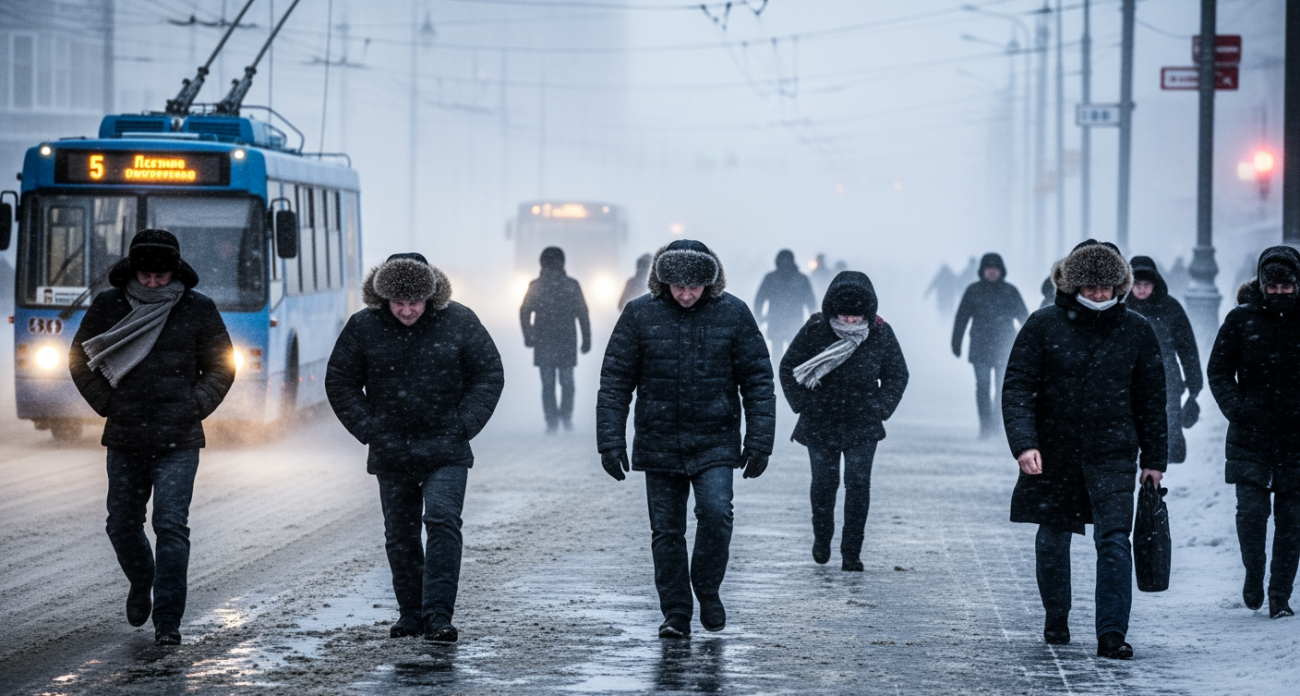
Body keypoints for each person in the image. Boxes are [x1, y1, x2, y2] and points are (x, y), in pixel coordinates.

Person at [597, 239, 775, 639]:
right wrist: (610, 441)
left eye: (694, 286)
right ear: (663, 281)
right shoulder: (639, 315)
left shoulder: (733, 314)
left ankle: (707, 587)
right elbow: (615, 383)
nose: (686, 294)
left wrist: (760, 439)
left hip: (715, 439)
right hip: (659, 439)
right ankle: (676, 612)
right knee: (667, 531)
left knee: (716, 514)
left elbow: (758, 380)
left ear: (709, 281)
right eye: (678, 285)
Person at [68, 229, 235, 646]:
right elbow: (79, 358)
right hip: (125, 437)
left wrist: (195, 404)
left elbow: (223, 365)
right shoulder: (109, 306)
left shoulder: (198, 308)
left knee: (171, 526)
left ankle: (167, 622)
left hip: (179, 439)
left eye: (162, 276)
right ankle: (143, 581)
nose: (155, 283)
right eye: (147, 276)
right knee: (121, 525)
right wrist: (107, 404)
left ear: (175, 271)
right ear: (134, 271)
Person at [326, 253, 504, 643]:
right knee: (401, 534)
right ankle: (410, 612)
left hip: (447, 448)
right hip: (392, 449)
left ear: (431, 296)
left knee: (441, 521)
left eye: (415, 302)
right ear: (383, 298)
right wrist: (369, 428)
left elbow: (489, 373)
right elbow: (340, 382)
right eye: (398, 303)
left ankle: (438, 613)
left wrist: (463, 424)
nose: (407, 311)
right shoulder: (363, 327)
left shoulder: (459, 320)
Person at [1002, 240, 1167, 659]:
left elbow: (1151, 399)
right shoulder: (1043, 326)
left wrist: (1154, 461)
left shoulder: (1136, 330)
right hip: (1055, 452)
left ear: (1120, 287)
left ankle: (1111, 632)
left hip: (1113, 452)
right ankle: (1056, 615)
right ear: (1073, 285)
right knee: (1054, 538)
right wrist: (1024, 444)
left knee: (1114, 539)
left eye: (1107, 287)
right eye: (1090, 286)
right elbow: (1018, 387)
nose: (1098, 295)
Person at [779, 271, 909, 571]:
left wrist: (880, 408)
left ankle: (851, 552)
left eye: (856, 316)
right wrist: (802, 404)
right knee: (824, 484)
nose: (850, 322)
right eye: (844, 316)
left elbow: (897, 374)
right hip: (819, 420)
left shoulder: (880, 333)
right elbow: (789, 367)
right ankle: (822, 537)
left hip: (863, 422)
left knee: (858, 485)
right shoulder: (814, 330)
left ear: (867, 312)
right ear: (832, 311)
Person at [1207, 246, 1300, 620]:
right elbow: (1219, 371)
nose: (1279, 292)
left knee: (1292, 520)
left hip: (1295, 436)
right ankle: (1254, 572)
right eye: (1272, 286)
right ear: (1261, 284)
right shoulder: (1240, 320)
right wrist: (1237, 409)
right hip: (1250, 433)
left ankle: (1280, 595)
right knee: (1251, 512)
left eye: (1286, 286)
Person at [1125, 256, 1202, 464]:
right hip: (1129, 382)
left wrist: (1194, 388)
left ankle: (1157, 482)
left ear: (1154, 284)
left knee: (1166, 438)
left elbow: (1188, 350)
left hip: (1167, 381)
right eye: (1137, 284)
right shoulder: (1121, 310)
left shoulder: (1171, 308)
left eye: (1146, 284)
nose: (1141, 289)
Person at [951, 253, 1028, 439]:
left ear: (1001, 271)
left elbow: (1024, 318)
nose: (992, 272)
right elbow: (962, 318)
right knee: (983, 387)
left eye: (995, 269)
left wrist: (1029, 344)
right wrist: (956, 342)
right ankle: (985, 426)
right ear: (982, 271)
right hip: (980, 347)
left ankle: (997, 425)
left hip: (1005, 347)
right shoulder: (973, 291)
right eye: (989, 269)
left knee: (1002, 388)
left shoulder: (1010, 291)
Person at [520, 247, 591, 432]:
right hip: (566, 340)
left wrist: (529, 335)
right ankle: (565, 419)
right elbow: (582, 313)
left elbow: (525, 311)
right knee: (567, 383)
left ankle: (552, 422)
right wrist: (586, 338)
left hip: (543, 341)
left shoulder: (536, 285)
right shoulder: (571, 285)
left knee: (548, 384)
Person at [753, 249, 816, 365]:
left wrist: (759, 316)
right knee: (792, 351)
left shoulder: (771, 278)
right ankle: (787, 375)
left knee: (781, 351)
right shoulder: (800, 278)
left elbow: (759, 299)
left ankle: (780, 374)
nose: (785, 263)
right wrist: (814, 320)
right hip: (791, 320)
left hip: (779, 321)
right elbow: (811, 302)